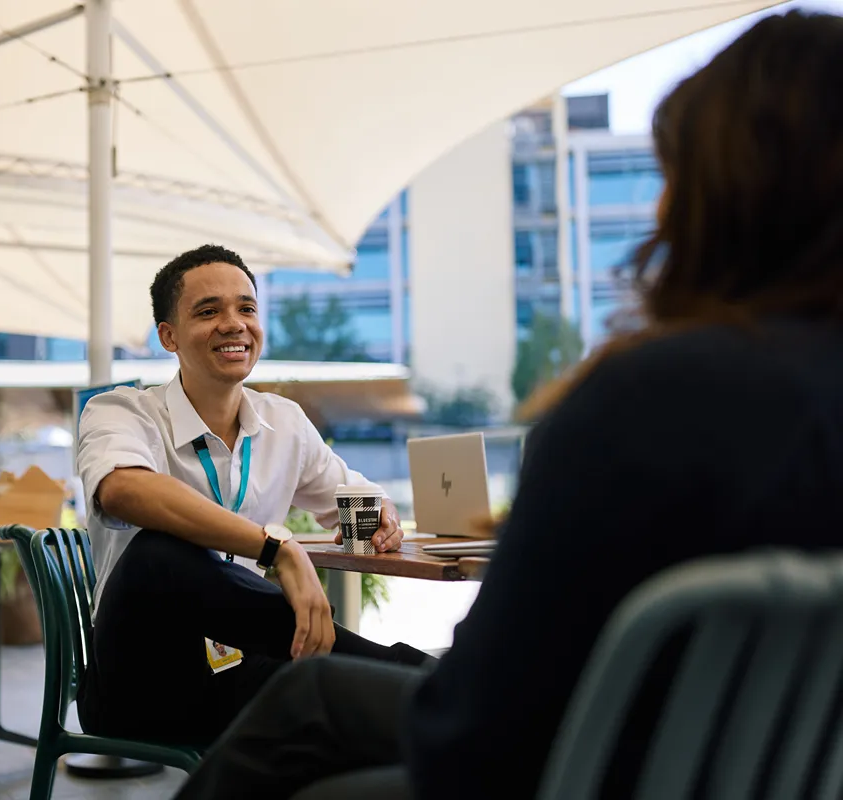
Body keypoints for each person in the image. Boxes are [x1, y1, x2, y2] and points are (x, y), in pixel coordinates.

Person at [173, 10, 843, 799]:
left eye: (671, 178)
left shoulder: (649, 399)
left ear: (718, 196)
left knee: (309, 709)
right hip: (779, 771)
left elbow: (481, 727)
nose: (660, 208)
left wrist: (368, 514)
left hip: (605, 767)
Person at [75, 244, 430, 747]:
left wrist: (377, 521)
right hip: (140, 683)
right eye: (208, 311)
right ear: (168, 336)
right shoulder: (121, 411)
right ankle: (405, 671)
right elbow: (122, 489)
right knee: (159, 552)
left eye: (246, 308)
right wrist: (276, 550)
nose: (233, 323)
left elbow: (351, 501)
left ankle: (421, 684)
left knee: (354, 699)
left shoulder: (282, 422)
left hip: (240, 664)